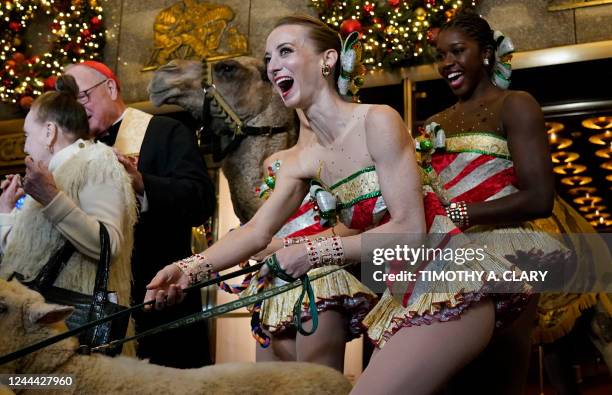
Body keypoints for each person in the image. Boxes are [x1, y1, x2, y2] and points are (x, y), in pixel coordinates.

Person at [145, 15, 524, 394]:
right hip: (401, 298)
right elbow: (256, 231)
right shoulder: (299, 160)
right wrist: (187, 269)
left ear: (327, 60)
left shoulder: (377, 121)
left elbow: (410, 230)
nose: (274, 64)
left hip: (449, 283)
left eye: (286, 51)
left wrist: (313, 253)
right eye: (269, 58)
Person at [411, 10, 575, 395]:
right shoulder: (433, 124)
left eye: (457, 51)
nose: (446, 63)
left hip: (508, 254)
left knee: (499, 381)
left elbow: (539, 198)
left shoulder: (516, 104)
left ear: (485, 53)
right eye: (440, 55)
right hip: (447, 258)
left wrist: (463, 214)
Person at [63, 61, 216, 368]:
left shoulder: (165, 131)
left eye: (82, 98)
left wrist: (142, 183)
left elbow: (200, 201)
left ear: (110, 87)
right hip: (96, 310)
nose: (78, 109)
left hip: (158, 298)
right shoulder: (75, 152)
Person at [0, 75, 137, 355]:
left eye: (28, 135)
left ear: (49, 132)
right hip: (39, 333)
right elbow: (23, 255)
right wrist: (5, 211)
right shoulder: (50, 174)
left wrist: (50, 198)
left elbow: (108, 244)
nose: (25, 146)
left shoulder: (96, 161)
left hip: (71, 335)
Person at [242, 110, 377, 371]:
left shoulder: (352, 154)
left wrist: (281, 248)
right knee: (272, 386)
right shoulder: (274, 162)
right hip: (274, 283)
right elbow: (266, 226)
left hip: (320, 279)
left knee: (316, 383)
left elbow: (358, 226)